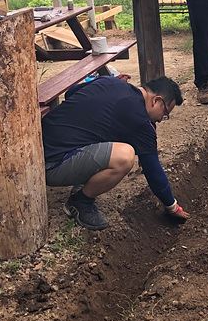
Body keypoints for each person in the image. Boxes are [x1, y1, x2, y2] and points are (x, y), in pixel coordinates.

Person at [41, 74, 189, 231]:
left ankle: (82, 183)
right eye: (165, 114)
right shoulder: (140, 120)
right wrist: (172, 206)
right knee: (125, 156)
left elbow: (71, 93)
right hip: (52, 165)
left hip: (42, 146)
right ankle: (81, 202)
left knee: (107, 135)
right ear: (156, 101)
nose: (160, 120)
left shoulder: (110, 81)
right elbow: (152, 169)